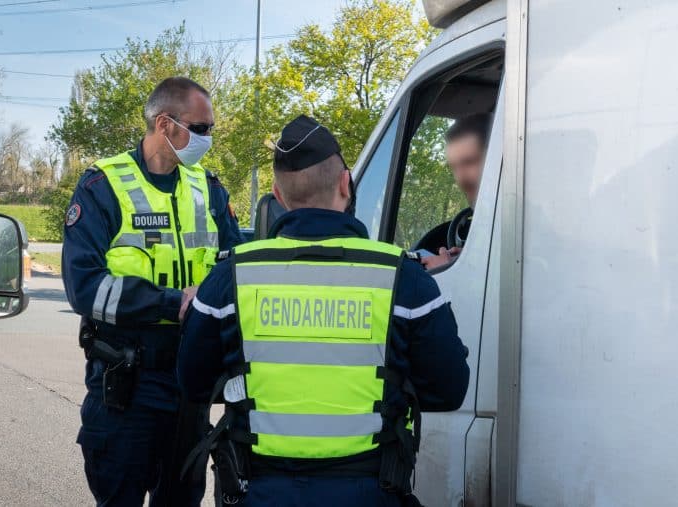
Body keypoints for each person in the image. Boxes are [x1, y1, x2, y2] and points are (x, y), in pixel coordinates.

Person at [178, 115, 470, 507]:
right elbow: (449, 390)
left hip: (259, 492)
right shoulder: (403, 277)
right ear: (346, 184)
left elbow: (193, 383)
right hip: (371, 493)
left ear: (278, 199)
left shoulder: (230, 276)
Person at [62, 76, 244, 507]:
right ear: (164, 125)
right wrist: (171, 302)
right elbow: (84, 287)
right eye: (201, 129)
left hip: (190, 383)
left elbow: (235, 265)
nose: (208, 139)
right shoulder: (102, 186)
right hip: (128, 386)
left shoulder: (209, 189)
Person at [420, 114, 490, 270]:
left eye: (469, 162)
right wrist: (466, 258)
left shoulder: (521, 215)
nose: (460, 178)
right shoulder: (491, 217)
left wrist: (447, 267)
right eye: (454, 167)